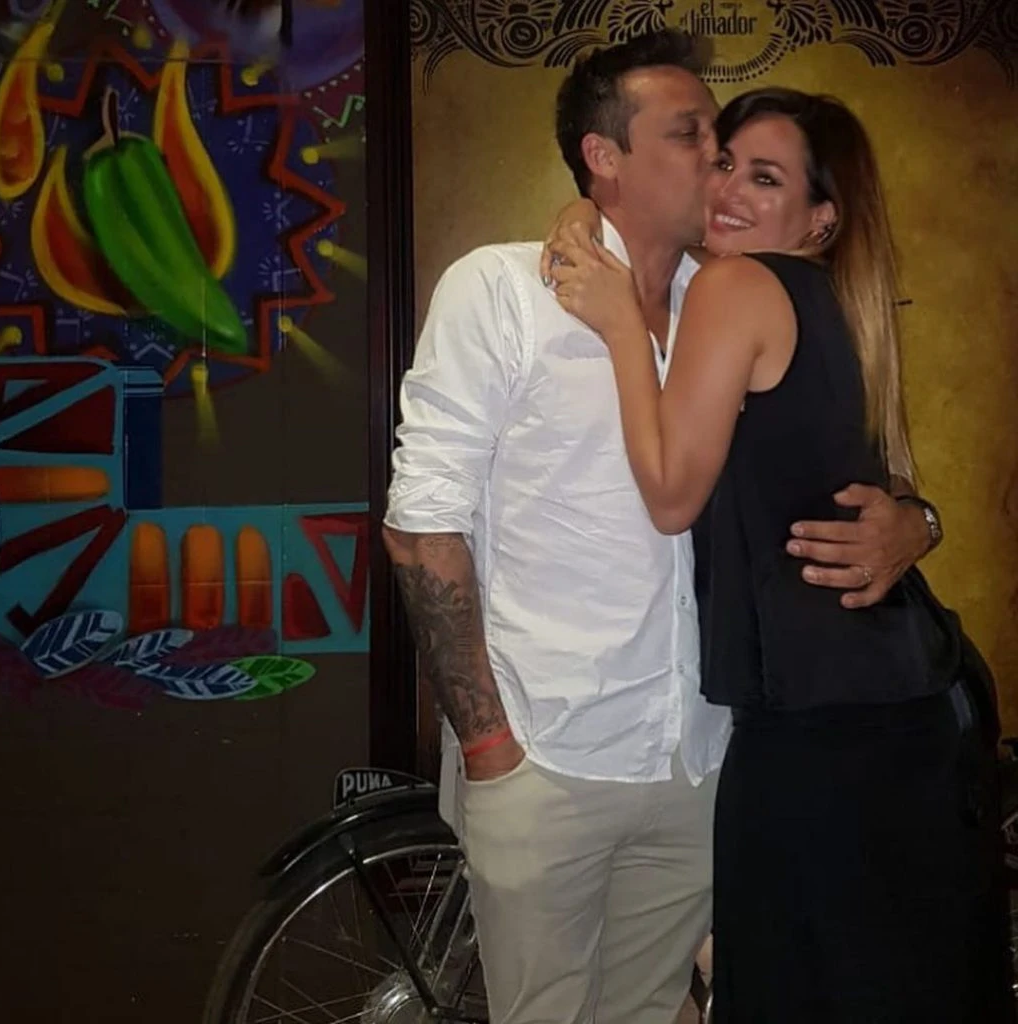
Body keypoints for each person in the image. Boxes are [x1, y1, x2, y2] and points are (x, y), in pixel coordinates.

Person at [383, 30, 939, 1024]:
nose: (716, 160)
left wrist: (916, 519)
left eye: (731, 149)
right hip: (549, 751)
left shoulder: (728, 293)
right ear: (604, 156)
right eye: (692, 136)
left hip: (700, 751)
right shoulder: (503, 290)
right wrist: (489, 745)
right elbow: (422, 527)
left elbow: (834, 463)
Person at [546, 85, 1011, 1022]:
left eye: (765, 178)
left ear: (821, 216)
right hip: (907, 710)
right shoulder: (834, 301)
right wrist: (582, 216)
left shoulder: (738, 287)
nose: (728, 189)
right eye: (724, 163)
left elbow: (671, 494)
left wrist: (622, 330)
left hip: (825, 734)